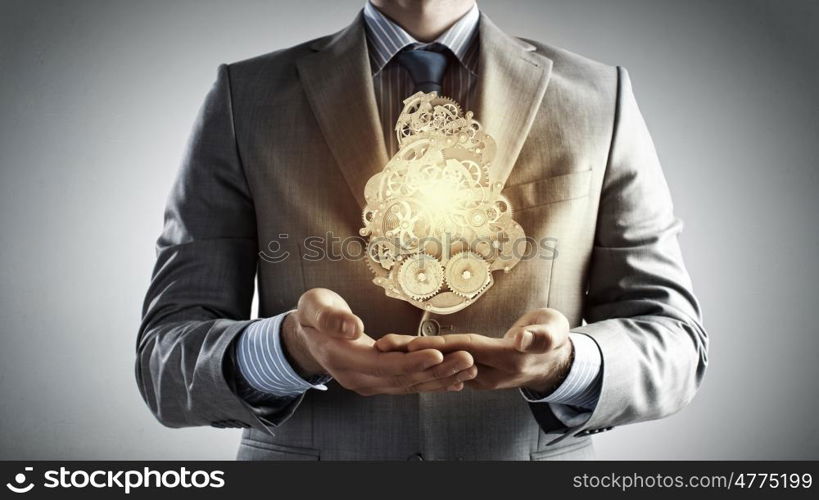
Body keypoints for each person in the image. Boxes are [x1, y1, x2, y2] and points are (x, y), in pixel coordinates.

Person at [136, 0, 708, 460]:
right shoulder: (248, 97)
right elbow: (165, 360)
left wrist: (565, 364)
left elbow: (674, 343)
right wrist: (289, 351)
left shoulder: (596, 99)